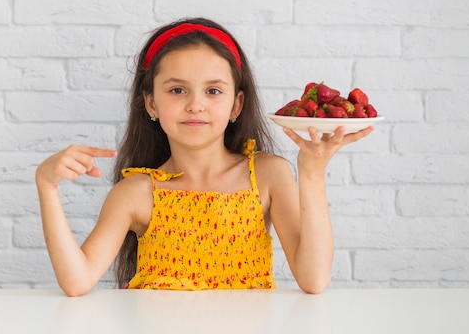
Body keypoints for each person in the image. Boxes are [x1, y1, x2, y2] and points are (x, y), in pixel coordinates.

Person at [35, 17, 373, 296]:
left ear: (236, 104)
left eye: (213, 91)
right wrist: (47, 186)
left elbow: (313, 279)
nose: (195, 104)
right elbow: (76, 281)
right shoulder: (136, 192)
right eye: (177, 90)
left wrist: (312, 173)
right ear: (151, 103)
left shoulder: (268, 175)